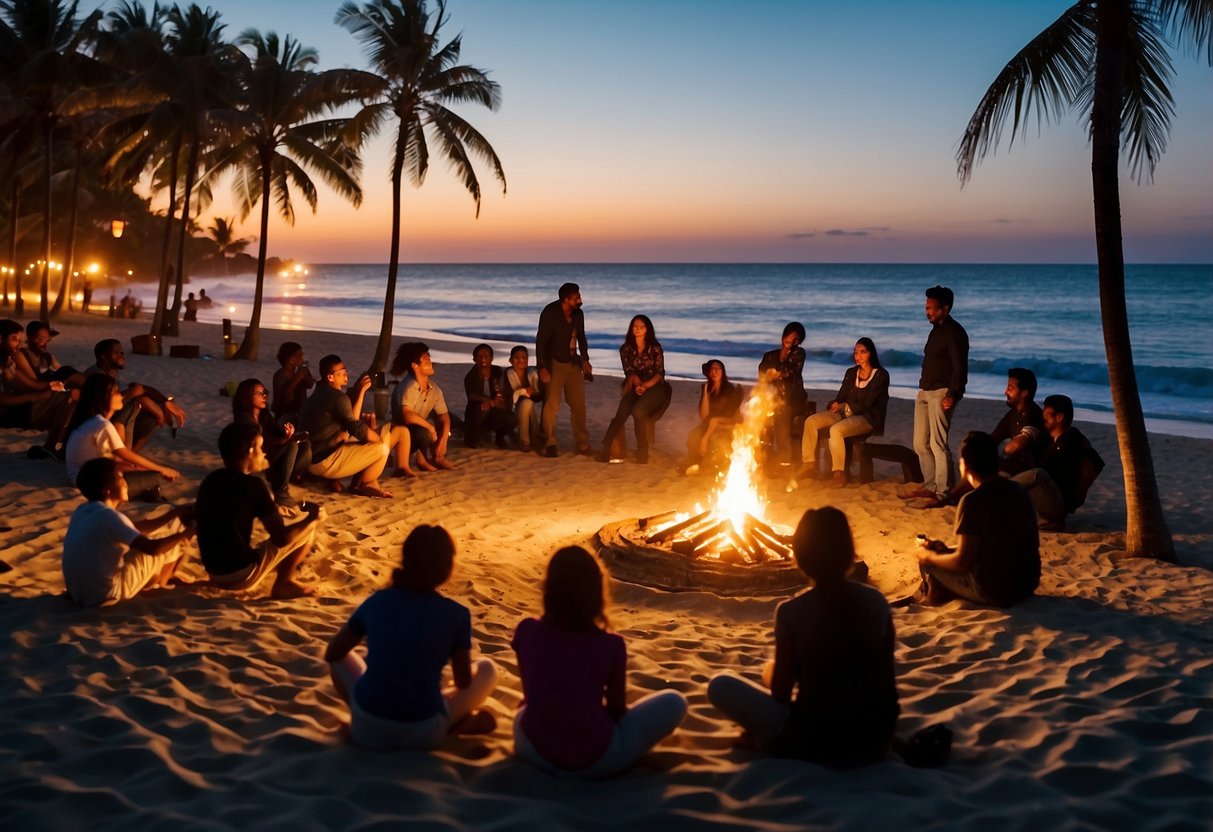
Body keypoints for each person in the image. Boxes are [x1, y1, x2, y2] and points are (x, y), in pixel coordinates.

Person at [707, 507, 899, 767]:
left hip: (811, 741)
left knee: (720, 686)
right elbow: (887, 681)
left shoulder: (791, 612)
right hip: (872, 741)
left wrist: (772, 673)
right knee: (771, 671)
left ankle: (764, 741)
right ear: (847, 552)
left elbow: (781, 695)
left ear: (800, 555)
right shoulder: (877, 603)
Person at [512, 546, 687, 777]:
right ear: (596, 592)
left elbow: (529, 695)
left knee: (523, 713)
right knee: (675, 702)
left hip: (534, 751)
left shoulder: (526, 629)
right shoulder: (611, 645)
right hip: (595, 761)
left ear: (549, 589)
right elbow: (616, 711)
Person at [325, 524, 498, 750]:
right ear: (447, 569)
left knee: (343, 658)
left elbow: (333, 653)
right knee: (487, 669)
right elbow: (464, 681)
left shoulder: (379, 600)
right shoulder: (456, 614)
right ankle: (454, 724)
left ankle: (368, 711)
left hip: (366, 730)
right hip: (423, 733)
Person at [914, 431, 1040, 607]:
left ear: (965, 465)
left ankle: (933, 596)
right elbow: (996, 544)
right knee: (938, 550)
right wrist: (945, 550)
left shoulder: (972, 501)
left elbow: (962, 562)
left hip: (994, 591)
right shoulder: (1018, 491)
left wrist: (928, 556)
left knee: (929, 562)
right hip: (1027, 585)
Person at [195, 423, 320, 598]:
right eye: (261, 448)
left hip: (214, 572)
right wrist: (312, 518)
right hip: (241, 574)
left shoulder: (211, 479)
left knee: (269, 540)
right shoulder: (254, 486)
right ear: (250, 451)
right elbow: (281, 539)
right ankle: (284, 585)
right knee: (306, 529)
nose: (264, 453)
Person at [61, 458, 195, 607]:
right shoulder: (109, 516)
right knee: (171, 536)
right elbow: (152, 549)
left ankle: (160, 577)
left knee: (163, 532)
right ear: (107, 489)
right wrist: (186, 534)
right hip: (107, 594)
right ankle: (164, 580)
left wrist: (173, 514)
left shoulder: (84, 510)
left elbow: (134, 528)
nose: (125, 481)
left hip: (79, 593)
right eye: (119, 477)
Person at [64, 374, 180, 501]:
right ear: (104, 397)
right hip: (93, 484)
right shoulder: (102, 425)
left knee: (145, 469)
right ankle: (141, 491)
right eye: (117, 392)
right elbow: (125, 454)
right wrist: (162, 469)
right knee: (156, 476)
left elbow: (108, 461)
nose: (121, 396)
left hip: (89, 477)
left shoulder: (93, 421)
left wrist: (138, 467)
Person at [298, 354, 398, 497]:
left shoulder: (320, 392)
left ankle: (356, 483)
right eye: (342, 372)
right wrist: (377, 440)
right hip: (324, 460)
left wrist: (361, 392)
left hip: (314, 458)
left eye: (346, 370)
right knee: (382, 447)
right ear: (330, 377)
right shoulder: (337, 397)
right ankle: (366, 484)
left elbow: (352, 421)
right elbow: (357, 428)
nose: (346, 374)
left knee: (375, 435)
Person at [800, 338, 890, 487]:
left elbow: (868, 403)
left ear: (871, 353)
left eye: (863, 352)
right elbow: (840, 396)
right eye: (855, 352)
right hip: (843, 413)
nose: (858, 356)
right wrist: (835, 404)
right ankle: (808, 465)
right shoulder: (851, 372)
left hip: (867, 418)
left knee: (836, 430)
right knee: (811, 421)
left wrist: (845, 406)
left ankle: (838, 473)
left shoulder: (881, 375)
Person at [908, 286, 968, 501]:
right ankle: (930, 485)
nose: (928, 312)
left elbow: (959, 365)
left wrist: (952, 393)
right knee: (920, 443)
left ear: (945, 308)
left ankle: (943, 491)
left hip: (942, 392)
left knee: (938, 443)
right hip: (925, 391)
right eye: (926, 308)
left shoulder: (954, 331)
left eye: (932, 308)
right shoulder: (935, 331)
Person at [1011, 394, 1105, 531]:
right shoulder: (1052, 441)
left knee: (1037, 474)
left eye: (1047, 415)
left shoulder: (1070, 441)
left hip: (1058, 503)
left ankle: (1001, 488)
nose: (1043, 418)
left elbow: (1048, 472)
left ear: (1059, 417)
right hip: (1047, 498)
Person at [85, 338, 187, 452]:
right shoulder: (95, 376)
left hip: (111, 418)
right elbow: (105, 405)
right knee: (135, 401)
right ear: (103, 356)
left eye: (122, 352)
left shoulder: (112, 375)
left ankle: (132, 453)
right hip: (97, 424)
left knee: (151, 415)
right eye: (116, 352)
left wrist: (165, 402)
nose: (121, 355)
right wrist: (139, 394)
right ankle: (123, 453)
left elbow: (140, 389)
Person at [599, 315, 672, 465]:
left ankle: (642, 452)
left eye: (642, 326)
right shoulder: (626, 349)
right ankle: (606, 446)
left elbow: (660, 373)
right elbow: (629, 371)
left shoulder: (655, 348)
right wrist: (638, 385)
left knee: (638, 411)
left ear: (648, 329)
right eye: (635, 326)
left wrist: (645, 386)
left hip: (655, 386)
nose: (638, 329)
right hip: (634, 385)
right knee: (622, 413)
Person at [0, 318, 77, 458]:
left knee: (73, 395)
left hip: (21, 406)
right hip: (9, 414)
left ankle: (68, 443)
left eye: (19, 340)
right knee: (69, 398)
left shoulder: (8, 362)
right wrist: (35, 396)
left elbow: (28, 384)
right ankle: (51, 445)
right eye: (13, 339)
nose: (18, 345)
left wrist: (49, 387)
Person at [535, 283, 594, 458]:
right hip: (554, 363)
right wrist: (542, 367)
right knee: (552, 405)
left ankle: (582, 443)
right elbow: (541, 341)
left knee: (578, 405)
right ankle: (550, 442)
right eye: (577, 297)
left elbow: (581, 337)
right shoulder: (550, 313)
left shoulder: (578, 314)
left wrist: (585, 359)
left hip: (573, 363)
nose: (580, 300)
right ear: (566, 299)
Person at [232, 378, 310, 508]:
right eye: (259, 393)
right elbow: (260, 443)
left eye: (265, 392)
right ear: (246, 396)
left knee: (304, 443)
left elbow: (277, 432)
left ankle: (288, 478)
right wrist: (285, 440)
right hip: (254, 461)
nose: (264, 396)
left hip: (270, 456)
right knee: (292, 445)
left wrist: (288, 432)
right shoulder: (243, 419)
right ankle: (281, 492)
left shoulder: (264, 415)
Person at [389, 342, 454, 473]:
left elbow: (444, 416)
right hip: (402, 431)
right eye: (426, 359)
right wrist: (430, 428)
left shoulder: (434, 388)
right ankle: (418, 459)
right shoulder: (409, 386)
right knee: (425, 429)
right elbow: (407, 416)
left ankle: (437, 456)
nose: (430, 362)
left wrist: (443, 441)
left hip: (419, 429)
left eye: (429, 358)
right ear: (415, 366)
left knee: (446, 422)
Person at [758, 322, 808, 468]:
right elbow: (762, 375)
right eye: (789, 336)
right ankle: (763, 460)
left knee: (781, 413)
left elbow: (791, 371)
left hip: (791, 400)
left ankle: (784, 463)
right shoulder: (769, 356)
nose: (791, 340)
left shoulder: (799, 354)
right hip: (770, 399)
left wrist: (778, 370)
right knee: (756, 415)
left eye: (796, 339)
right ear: (783, 336)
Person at [685, 359, 743, 475]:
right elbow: (704, 415)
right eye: (712, 369)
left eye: (717, 369)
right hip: (711, 423)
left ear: (723, 372)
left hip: (729, 423)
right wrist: (706, 392)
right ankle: (696, 463)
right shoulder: (707, 388)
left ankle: (712, 466)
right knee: (693, 436)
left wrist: (706, 435)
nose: (714, 372)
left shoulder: (729, 389)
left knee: (714, 439)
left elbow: (731, 416)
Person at [462, 344, 518, 449]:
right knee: (481, 409)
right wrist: (487, 400)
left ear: (491, 358)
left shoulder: (498, 372)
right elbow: (471, 396)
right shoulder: (470, 377)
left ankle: (499, 436)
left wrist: (498, 400)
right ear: (474, 359)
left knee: (512, 418)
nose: (483, 359)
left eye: (486, 356)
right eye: (479, 356)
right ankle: (474, 435)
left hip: (495, 410)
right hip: (476, 412)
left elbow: (505, 393)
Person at [504, 345, 542, 453]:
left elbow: (538, 397)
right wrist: (523, 391)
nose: (521, 360)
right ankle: (526, 441)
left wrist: (533, 392)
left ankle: (530, 438)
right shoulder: (508, 374)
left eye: (524, 358)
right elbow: (508, 399)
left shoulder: (532, 374)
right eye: (517, 358)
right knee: (526, 403)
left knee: (528, 403)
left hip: (530, 411)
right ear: (510, 360)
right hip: (512, 409)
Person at [21, 320, 84, 386]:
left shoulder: (47, 357)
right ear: (30, 337)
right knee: (67, 371)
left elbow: (61, 369)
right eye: (39, 338)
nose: (43, 342)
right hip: (39, 388)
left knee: (68, 371)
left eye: (46, 339)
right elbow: (34, 382)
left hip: (49, 385)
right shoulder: (23, 354)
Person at [271, 341, 315, 424]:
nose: (302, 358)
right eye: (300, 356)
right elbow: (286, 397)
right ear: (291, 360)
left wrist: (307, 376)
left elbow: (309, 385)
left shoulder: (298, 372)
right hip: (284, 415)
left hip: (299, 412)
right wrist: (297, 378)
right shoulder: (280, 375)